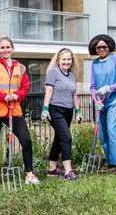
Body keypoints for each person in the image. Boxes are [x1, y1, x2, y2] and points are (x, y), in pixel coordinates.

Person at [0, 36, 39, 187]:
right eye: (2, 47)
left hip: (14, 109)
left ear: (12, 48)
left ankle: (29, 174)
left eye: (8, 47)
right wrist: (3, 96)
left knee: (26, 140)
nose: (5, 50)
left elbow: (25, 87)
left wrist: (16, 96)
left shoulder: (21, 67)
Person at [88, 34, 116, 175]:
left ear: (109, 47)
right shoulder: (94, 64)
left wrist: (109, 88)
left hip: (115, 100)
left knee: (113, 129)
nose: (101, 49)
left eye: (104, 47)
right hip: (101, 102)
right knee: (103, 132)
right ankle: (111, 162)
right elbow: (92, 86)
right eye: (98, 47)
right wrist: (96, 99)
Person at [41, 48, 82, 181]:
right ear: (58, 60)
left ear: (72, 60)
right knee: (66, 138)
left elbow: (74, 94)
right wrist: (45, 108)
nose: (66, 61)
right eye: (64, 59)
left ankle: (52, 168)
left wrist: (78, 111)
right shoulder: (53, 73)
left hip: (68, 111)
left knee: (59, 138)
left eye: (69, 59)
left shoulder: (72, 75)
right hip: (55, 110)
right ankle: (68, 171)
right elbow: (48, 91)